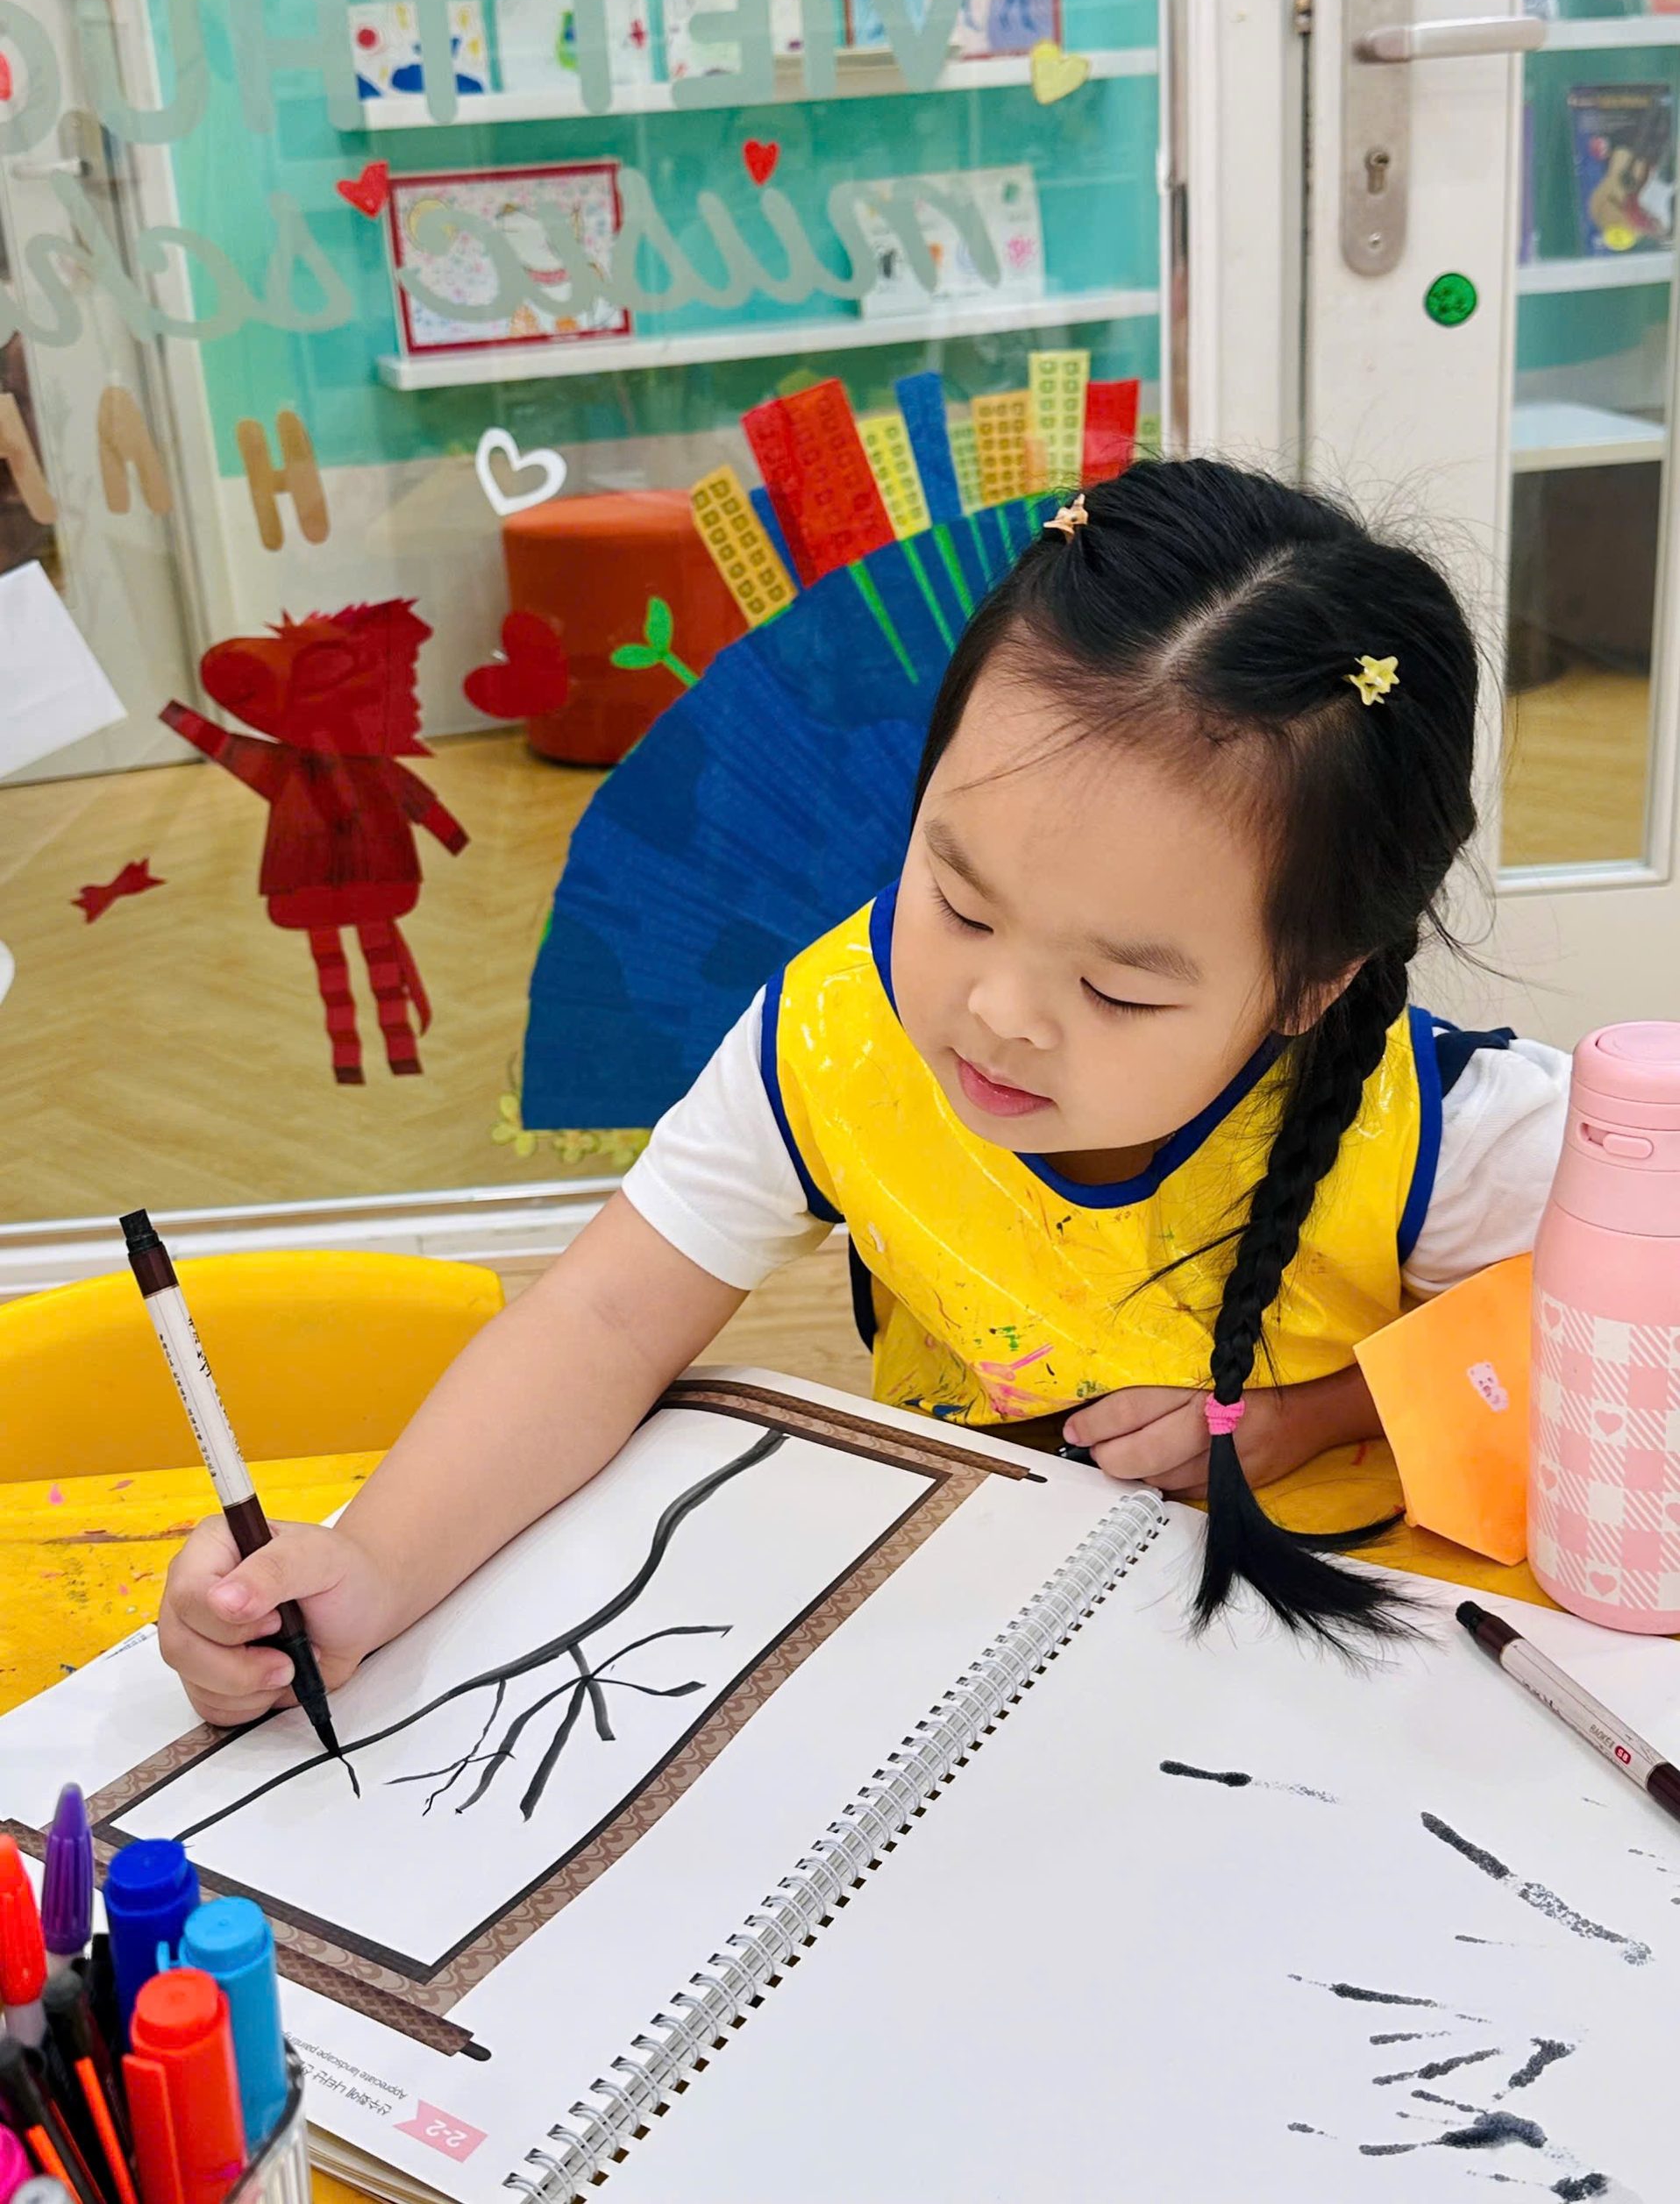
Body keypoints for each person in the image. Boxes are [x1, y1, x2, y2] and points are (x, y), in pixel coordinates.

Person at [158, 459, 1568, 1717]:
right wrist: (371, 1567)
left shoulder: (1436, 1124)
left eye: (1119, 989)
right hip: (963, 1660)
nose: (998, 1016)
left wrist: (1318, 1413)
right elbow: (601, 1320)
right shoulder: (837, 1035)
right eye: (959, 898)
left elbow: (1631, 1336)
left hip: (1344, 1681)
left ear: (1313, 983)